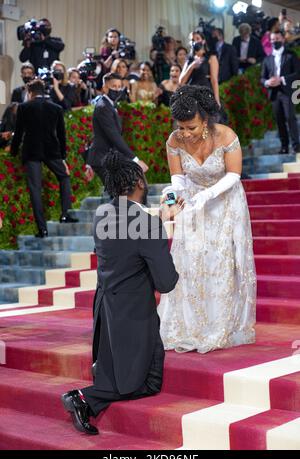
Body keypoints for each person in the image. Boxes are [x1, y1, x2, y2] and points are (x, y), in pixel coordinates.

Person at [61, 150, 181, 434]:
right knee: (148, 383)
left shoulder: (101, 215)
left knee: (120, 376)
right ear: (139, 182)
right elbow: (166, 282)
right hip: (135, 318)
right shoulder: (147, 226)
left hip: (106, 313)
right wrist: (161, 226)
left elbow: (129, 242)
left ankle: (88, 397)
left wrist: (159, 221)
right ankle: (83, 398)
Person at [157, 85, 256, 354]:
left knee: (219, 261)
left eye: (192, 127)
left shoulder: (225, 136)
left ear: (205, 119)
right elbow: (177, 178)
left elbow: (234, 174)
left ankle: (219, 325)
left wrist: (207, 195)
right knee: (188, 261)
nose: (186, 133)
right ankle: (190, 326)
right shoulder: (174, 140)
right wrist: (171, 199)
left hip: (224, 202)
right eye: (181, 127)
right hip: (193, 202)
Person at [10, 79, 78, 238]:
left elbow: (18, 133)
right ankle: (65, 214)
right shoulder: (56, 108)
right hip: (51, 150)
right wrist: (63, 157)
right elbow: (62, 135)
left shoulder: (23, 107)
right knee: (64, 176)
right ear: (44, 91)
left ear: (29, 92)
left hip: (32, 151)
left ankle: (42, 229)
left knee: (35, 189)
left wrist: (13, 152)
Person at [85, 73, 149, 186]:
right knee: (120, 192)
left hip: (108, 158)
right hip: (102, 159)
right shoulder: (103, 107)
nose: (117, 90)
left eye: (120, 87)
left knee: (123, 191)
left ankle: (126, 204)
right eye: (114, 86)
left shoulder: (109, 105)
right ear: (105, 88)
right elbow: (114, 136)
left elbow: (98, 135)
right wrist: (135, 160)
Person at [261, 30, 300, 154]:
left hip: (288, 91)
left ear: (283, 39)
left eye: (277, 38)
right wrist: (268, 82)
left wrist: (281, 79)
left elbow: (298, 73)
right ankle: (284, 146)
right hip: (274, 93)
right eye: (272, 39)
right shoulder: (267, 59)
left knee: (290, 118)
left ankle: (296, 145)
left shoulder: (291, 55)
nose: (274, 41)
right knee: (279, 120)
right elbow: (262, 77)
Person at [179, 31, 221, 108]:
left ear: (203, 41)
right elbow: (181, 81)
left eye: (197, 38)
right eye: (192, 39)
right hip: (191, 95)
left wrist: (217, 99)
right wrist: (191, 66)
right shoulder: (189, 59)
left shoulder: (211, 56)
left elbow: (214, 80)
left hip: (205, 93)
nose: (195, 41)